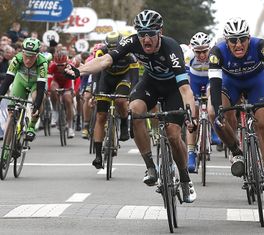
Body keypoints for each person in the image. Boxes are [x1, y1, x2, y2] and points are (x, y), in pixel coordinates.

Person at [65, 10, 197, 203]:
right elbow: (105, 60)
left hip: (173, 89)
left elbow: (185, 89)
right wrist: (79, 71)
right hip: (150, 83)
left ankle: (185, 179)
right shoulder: (132, 42)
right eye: (142, 34)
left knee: (173, 135)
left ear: (160, 32)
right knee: (134, 110)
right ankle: (150, 166)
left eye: (150, 33)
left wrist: (190, 115)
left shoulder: (171, 48)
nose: (146, 39)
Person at [209, 18, 264, 205]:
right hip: (230, 84)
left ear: (249, 38)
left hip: (257, 83)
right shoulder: (217, 53)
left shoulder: (262, 46)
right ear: (226, 41)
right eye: (233, 40)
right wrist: (219, 110)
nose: (238, 44)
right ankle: (236, 151)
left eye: (242, 39)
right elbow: (215, 85)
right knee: (213, 114)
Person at [89, 31, 139, 169]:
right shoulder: (100, 52)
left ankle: (124, 123)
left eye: (115, 49)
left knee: (121, 100)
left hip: (124, 77)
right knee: (101, 116)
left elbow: (135, 78)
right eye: (110, 50)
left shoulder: (130, 54)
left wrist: (133, 95)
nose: (113, 52)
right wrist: (95, 92)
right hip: (106, 79)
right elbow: (96, 73)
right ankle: (98, 155)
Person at [184, 32, 222, 173]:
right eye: (198, 52)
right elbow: (184, 81)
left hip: (209, 80)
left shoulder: (214, 54)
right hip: (194, 81)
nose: (201, 55)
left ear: (209, 48)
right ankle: (191, 154)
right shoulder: (188, 56)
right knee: (193, 114)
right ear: (193, 50)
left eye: (204, 51)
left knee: (211, 95)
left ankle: (213, 132)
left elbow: (219, 77)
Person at [0, 37, 48, 141]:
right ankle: (6, 151)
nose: (28, 59)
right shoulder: (17, 59)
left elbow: (40, 88)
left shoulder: (42, 63)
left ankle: (31, 126)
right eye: (26, 55)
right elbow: (7, 81)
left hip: (36, 84)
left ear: (37, 55)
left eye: (32, 57)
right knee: (12, 113)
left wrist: (37, 106)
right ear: (22, 52)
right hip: (20, 81)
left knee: (38, 98)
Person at [48, 50, 76, 138]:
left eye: (62, 65)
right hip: (57, 81)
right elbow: (49, 78)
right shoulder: (52, 66)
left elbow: (76, 79)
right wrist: (49, 90)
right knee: (52, 89)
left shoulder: (70, 66)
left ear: (66, 62)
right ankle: (55, 111)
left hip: (67, 82)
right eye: (58, 65)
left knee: (68, 100)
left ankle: (70, 127)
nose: (59, 67)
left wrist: (74, 90)